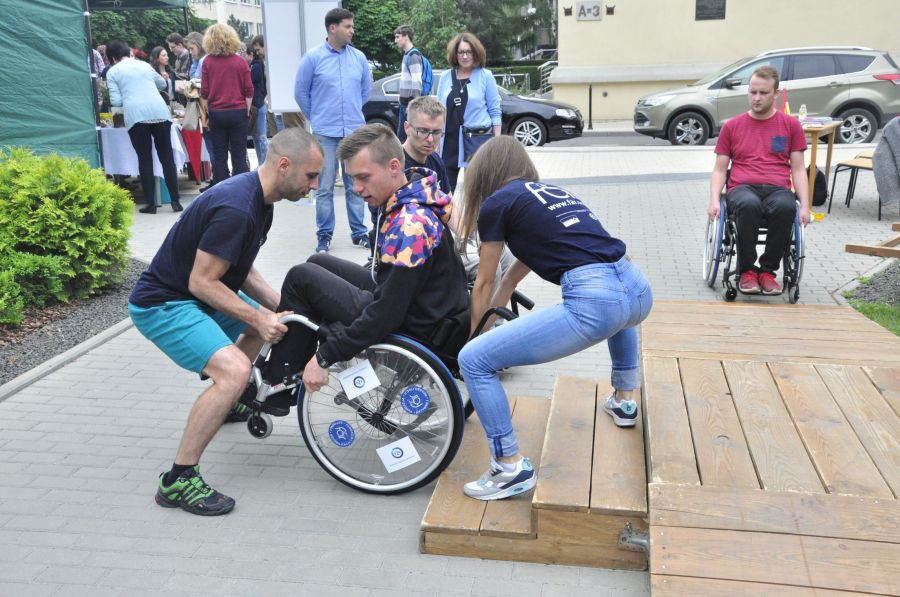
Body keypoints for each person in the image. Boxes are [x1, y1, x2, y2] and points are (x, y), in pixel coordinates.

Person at [128, 127, 324, 516]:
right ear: (284, 165)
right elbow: (201, 281)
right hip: (165, 303)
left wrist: (279, 307)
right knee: (234, 371)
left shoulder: (260, 200)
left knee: (260, 326)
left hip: (196, 292)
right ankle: (178, 480)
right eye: (311, 176)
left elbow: (241, 266)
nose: (315, 186)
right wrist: (258, 316)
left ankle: (232, 401)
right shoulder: (237, 207)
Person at [456, 136, 653, 501]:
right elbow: (513, 274)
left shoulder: (497, 203)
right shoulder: (546, 194)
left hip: (595, 300)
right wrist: (494, 317)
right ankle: (625, 399)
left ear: (487, 171)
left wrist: (475, 339)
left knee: (473, 360)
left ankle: (508, 466)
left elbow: (483, 281)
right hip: (637, 288)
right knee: (622, 314)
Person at [260, 124, 469, 401]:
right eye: (352, 179)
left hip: (418, 328)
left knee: (302, 278)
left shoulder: (409, 227)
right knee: (319, 262)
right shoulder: (413, 196)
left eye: (363, 178)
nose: (357, 189)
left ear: (394, 167)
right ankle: (293, 362)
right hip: (425, 308)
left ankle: (278, 382)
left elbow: (386, 314)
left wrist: (325, 355)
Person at [709, 65, 810, 296]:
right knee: (748, 205)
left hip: (778, 188)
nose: (756, 98)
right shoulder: (732, 126)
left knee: (786, 207)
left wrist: (805, 206)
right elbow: (719, 170)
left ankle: (767, 272)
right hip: (742, 188)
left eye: (763, 93)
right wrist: (714, 200)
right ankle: (746, 271)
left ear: (776, 93)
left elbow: (798, 170)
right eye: (753, 92)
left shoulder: (791, 125)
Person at [294, 7, 373, 254]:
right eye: (348, 26)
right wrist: (317, 117)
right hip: (325, 133)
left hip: (353, 132)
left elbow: (364, 91)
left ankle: (359, 233)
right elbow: (301, 93)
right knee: (325, 186)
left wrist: (350, 114)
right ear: (332, 28)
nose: (353, 31)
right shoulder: (313, 58)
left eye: (352, 26)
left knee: (356, 183)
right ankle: (324, 236)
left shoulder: (359, 58)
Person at [105, 40, 183, 214]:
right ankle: (175, 201)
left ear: (112, 57)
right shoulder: (144, 65)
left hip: (136, 117)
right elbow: (162, 84)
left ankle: (151, 204)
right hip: (160, 112)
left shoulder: (113, 72)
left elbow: (116, 101)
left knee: (145, 159)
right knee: (167, 157)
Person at [435, 32, 501, 193]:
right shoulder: (445, 77)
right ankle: (450, 219)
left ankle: (475, 219)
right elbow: (437, 111)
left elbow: (495, 112)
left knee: (476, 194)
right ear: (455, 54)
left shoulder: (486, 76)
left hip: (476, 142)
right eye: (461, 52)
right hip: (448, 144)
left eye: (469, 52)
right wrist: (435, 141)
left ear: (476, 53)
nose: (465, 56)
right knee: (444, 194)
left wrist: (496, 143)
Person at [201, 23, 254, 187]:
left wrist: (206, 113)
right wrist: (246, 110)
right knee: (239, 153)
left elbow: (204, 92)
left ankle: (221, 188)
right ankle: (241, 188)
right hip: (238, 111)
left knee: (219, 155)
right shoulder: (240, 61)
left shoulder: (208, 62)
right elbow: (249, 90)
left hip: (217, 112)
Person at [402, 95, 451, 194]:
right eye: (423, 131)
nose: (430, 139)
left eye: (436, 132)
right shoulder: (395, 166)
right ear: (407, 128)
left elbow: (450, 203)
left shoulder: (436, 160)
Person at [185, 31, 215, 184]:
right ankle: (216, 176)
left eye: (192, 48)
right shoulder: (199, 61)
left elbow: (196, 82)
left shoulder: (204, 61)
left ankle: (216, 177)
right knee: (211, 145)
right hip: (205, 108)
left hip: (205, 108)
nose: (191, 52)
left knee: (212, 145)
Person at [394, 25, 429, 143]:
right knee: (404, 140)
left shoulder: (413, 56)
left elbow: (417, 83)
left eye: (398, 37)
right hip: (405, 104)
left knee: (408, 140)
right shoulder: (407, 55)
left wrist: (413, 106)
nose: (396, 40)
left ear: (406, 37)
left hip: (409, 105)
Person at [249, 35, 269, 165]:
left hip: (260, 102)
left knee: (261, 137)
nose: (257, 52)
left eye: (258, 49)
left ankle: (265, 164)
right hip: (262, 102)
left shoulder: (256, 65)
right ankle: (262, 163)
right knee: (258, 137)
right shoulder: (260, 63)